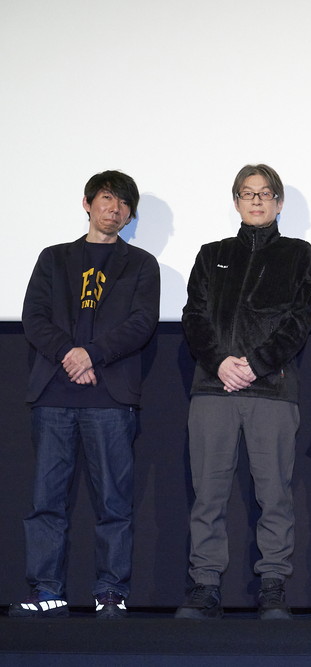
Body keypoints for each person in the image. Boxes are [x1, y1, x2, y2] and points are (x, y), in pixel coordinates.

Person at [11, 171, 160, 619]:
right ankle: (47, 592)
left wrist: (91, 355)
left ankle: (110, 592)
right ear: (87, 203)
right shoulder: (54, 258)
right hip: (53, 396)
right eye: (107, 199)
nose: (115, 209)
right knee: (46, 503)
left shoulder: (142, 264)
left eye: (124, 204)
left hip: (110, 398)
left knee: (114, 503)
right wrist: (69, 354)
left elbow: (141, 324)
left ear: (130, 215)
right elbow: (34, 317)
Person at [176, 164, 311, 620]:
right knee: (208, 494)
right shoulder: (211, 254)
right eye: (247, 193)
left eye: (265, 193)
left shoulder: (298, 253)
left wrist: (256, 365)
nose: (256, 201)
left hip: (272, 391)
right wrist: (219, 362)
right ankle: (204, 585)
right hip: (212, 389)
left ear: (279, 202)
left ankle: (273, 584)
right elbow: (194, 316)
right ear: (236, 201)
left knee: (274, 495)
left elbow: (299, 320)